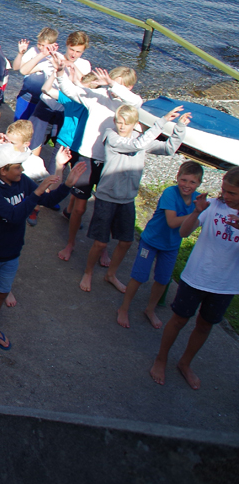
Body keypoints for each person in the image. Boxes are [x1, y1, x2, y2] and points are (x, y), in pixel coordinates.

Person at [0, 144, 85, 359]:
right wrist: (38, 192)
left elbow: (48, 200)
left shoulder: (22, 181)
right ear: (3, 170)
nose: (22, 170)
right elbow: (13, 215)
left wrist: (67, 184)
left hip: (11, 252)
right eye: (18, 167)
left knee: (1, 292)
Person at [79, 104, 187, 293]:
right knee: (101, 242)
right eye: (119, 122)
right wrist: (162, 121)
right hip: (106, 197)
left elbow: (169, 149)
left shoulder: (141, 139)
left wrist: (179, 128)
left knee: (126, 241)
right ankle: (88, 272)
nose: (122, 126)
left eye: (126, 123)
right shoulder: (111, 136)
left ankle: (111, 274)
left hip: (127, 199)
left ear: (135, 123)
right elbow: (136, 145)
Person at [149, 167, 239, 390]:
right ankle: (161, 358)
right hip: (196, 276)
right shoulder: (213, 206)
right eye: (224, 190)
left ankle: (185, 363)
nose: (225, 196)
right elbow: (183, 232)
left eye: (232, 193)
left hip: (225, 285)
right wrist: (196, 212)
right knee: (178, 320)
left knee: (205, 325)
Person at [55, 64, 143, 262]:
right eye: (111, 83)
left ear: (128, 87)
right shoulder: (97, 96)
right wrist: (60, 73)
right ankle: (70, 243)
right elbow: (70, 90)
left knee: (105, 209)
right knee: (79, 208)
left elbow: (136, 101)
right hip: (87, 158)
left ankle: (102, 247)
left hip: (112, 163)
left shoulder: (128, 106)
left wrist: (112, 84)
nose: (112, 89)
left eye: (119, 85)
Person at [117, 161, 203, 329]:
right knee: (139, 276)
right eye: (184, 180)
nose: (187, 185)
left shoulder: (198, 199)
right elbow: (172, 222)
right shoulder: (170, 193)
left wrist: (201, 213)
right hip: (151, 242)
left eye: (193, 182)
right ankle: (124, 308)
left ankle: (150, 309)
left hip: (171, 246)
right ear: (177, 177)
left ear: (199, 183)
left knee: (163, 280)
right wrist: (197, 213)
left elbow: (192, 227)